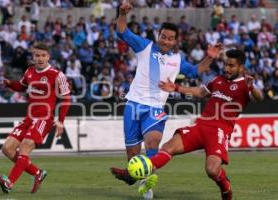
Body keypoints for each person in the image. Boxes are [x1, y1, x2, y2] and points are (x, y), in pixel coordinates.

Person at [110, 1, 222, 195]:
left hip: (155, 108)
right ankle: (137, 178)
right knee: (132, 155)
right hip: (134, 105)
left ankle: (145, 186)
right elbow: (122, 32)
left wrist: (210, 57)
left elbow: (196, 71)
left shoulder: (177, 60)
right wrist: (122, 14)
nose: (166, 41)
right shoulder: (145, 46)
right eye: (164, 37)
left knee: (153, 143)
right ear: (158, 35)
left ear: (175, 41)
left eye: (170, 39)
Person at [145, 49, 264, 200]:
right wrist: (176, 88)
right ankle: (137, 173)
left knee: (212, 170)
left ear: (241, 68)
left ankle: (225, 186)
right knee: (168, 147)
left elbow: (259, 98)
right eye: (226, 65)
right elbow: (201, 92)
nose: (227, 68)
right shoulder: (218, 79)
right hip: (201, 125)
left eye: (231, 66)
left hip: (220, 130)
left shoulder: (245, 85)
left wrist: (252, 87)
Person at [0, 43, 71, 193]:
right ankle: (37, 173)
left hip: (44, 118)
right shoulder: (29, 71)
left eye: (43, 55)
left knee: (24, 147)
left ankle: (9, 182)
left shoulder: (57, 74)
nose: (40, 58)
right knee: (7, 149)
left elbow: (66, 98)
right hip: (29, 117)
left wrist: (60, 121)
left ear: (48, 56)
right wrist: (9, 83)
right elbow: (22, 86)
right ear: (33, 57)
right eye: (37, 55)